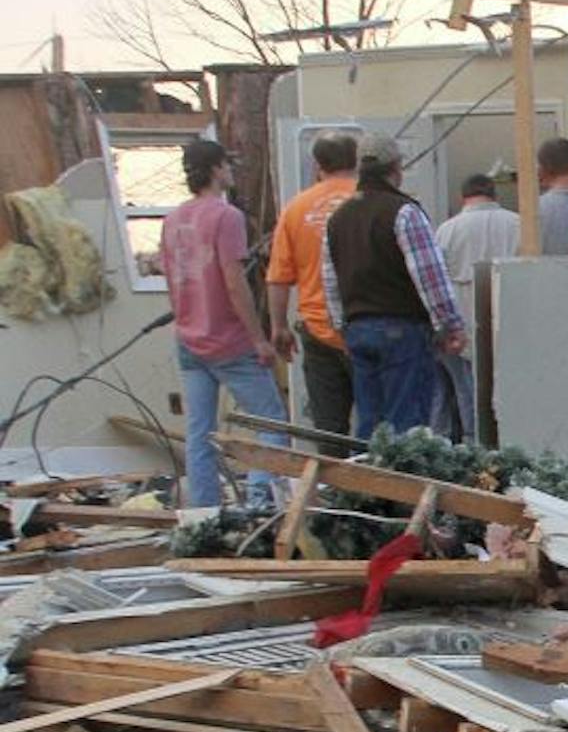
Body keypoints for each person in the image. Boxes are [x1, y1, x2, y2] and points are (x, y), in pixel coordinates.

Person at [162, 139, 289, 508]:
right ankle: (260, 505)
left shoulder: (173, 220)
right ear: (216, 169)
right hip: (229, 340)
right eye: (227, 164)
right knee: (271, 422)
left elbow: (172, 281)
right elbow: (235, 283)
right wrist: (259, 340)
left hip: (188, 339)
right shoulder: (225, 216)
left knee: (199, 432)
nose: (231, 170)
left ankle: (203, 514)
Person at [320, 133, 467, 439]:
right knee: (407, 428)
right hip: (404, 331)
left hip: (358, 330)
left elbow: (330, 280)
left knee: (369, 426)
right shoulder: (404, 212)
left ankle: (367, 485)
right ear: (396, 167)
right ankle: (405, 486)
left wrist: (341, 326)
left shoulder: (337, 219)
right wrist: (450, 324)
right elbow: (429, 276)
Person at [267, 132, 358, 437]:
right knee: (379, 426)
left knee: (330, 430)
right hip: (368, 326)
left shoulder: (296, 209)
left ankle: (335, 485)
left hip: (319, 330)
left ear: (317, 164)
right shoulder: (371, 200)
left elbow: (278, 278)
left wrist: (278, 326)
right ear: (356, 160)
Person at [431, 173, 521, 439]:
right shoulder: (518, 224)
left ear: (463, 197)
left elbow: (437, 278)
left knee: (463, 391)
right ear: (494, 195)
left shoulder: (448, 229)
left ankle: (470, 443)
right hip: (508, 318)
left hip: (460, 319)